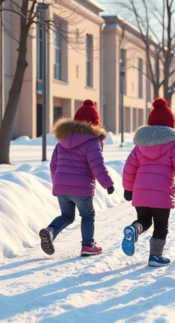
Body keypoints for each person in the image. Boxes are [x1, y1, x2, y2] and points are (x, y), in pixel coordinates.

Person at [121, 98, 175, 267]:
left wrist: (128, 188)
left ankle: (135, 228)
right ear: (171, 126)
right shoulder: (174, 145)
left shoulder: (140, 146)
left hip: (141, 194)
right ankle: (155, 256)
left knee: (145, 220)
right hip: (161, 195)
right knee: (161, 224)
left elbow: (129, 168)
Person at [39, 100, 115, 257]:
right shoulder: (92, 141)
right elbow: (97, 165)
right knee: (87, 215)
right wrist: (108, 184)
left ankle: (51, 231)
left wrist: (58, 183)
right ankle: (88, 245)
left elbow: (53, 165)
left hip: (61, 186)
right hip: (81, 187)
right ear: (95, 124)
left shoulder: (62, 140)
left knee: (66, 215)